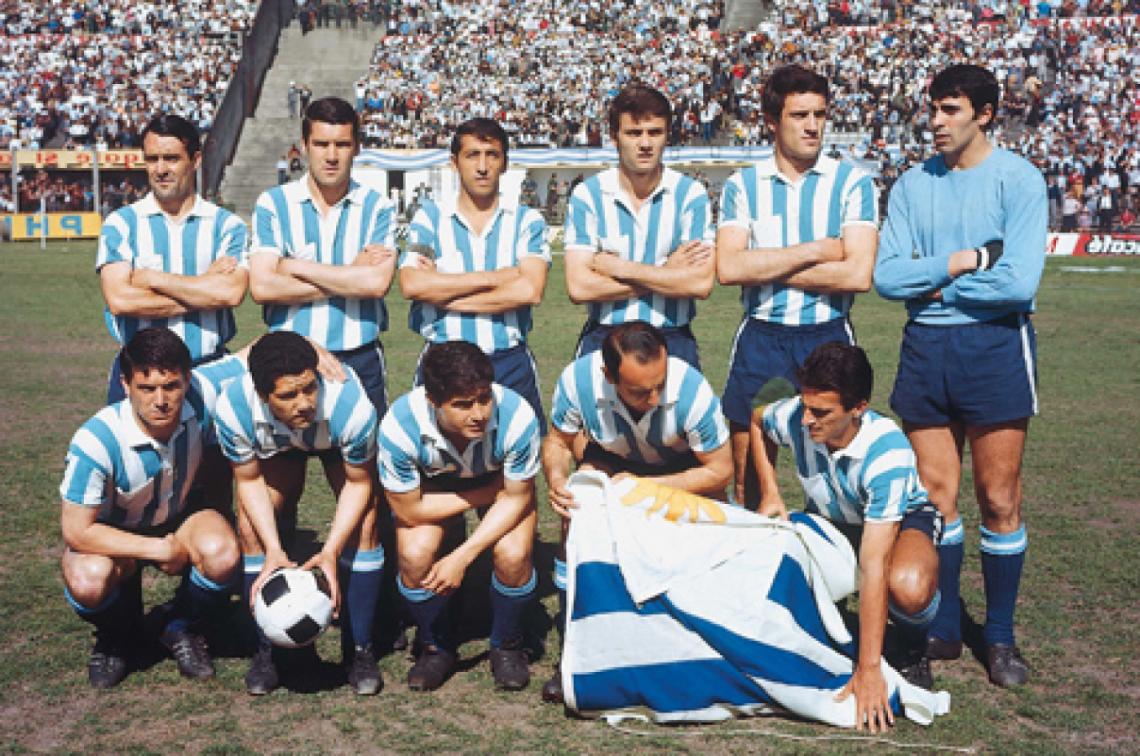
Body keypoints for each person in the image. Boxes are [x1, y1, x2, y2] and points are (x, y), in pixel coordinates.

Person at [874, 64, 1046, 688]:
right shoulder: (912, 185)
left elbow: (1020, 283)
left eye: (950, 110)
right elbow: (887, 278)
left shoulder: (1020, 180)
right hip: (926, 350)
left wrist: (935, 287)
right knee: (935, 497)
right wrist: (966, 267)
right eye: (934, 109)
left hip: (996, 348)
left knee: (998, 499)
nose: (937, 121)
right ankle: (943, 626)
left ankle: (998, 637)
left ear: (984, 114)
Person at [750, 342, 940, 730]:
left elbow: (874, 566)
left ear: (858, 408)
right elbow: (757, 419)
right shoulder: (797, 416)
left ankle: (913, 642)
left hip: (900, 523)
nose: (806, 420)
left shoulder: (886, 453)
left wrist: (869, 669)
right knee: (772, 549)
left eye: (821, 412)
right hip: (834, 521)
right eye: (805, 406)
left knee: (905, 586)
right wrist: (770, 490)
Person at [541, 321, 732, 703]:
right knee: (576, 516)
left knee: (704, 548)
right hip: (612, 461)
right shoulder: (578, 379)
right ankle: (577, 650)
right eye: (640, 391)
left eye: (660, 384)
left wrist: (646, 488)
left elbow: (720, 470)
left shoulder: (691, 389)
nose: (655, 397)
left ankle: (698, 650)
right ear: (608, 376)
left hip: (680, 469)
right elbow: (558, 442)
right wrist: (557, 478)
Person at [716, 64, 879, 509]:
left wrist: (765, 263)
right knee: (749, 475)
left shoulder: (853, 182)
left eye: (820, 115)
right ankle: (754, 573)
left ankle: (833, 568)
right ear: (772, 121)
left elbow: (857, 275)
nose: (812, 126)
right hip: (763, 336)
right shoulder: (743, 186)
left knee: (837, 474)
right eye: (799, 115)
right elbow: (728, 268)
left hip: (827, 335)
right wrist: (816, 250)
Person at [59, 327, 244, 689]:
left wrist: (315, 349)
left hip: (179, 517)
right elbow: (77, 531)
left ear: (187, 380)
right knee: (88, 580)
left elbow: (249, 357)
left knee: (222, 553)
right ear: (125, 385)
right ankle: (118, 636)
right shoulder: (96, 440)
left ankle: (178, 627)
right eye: (146, 388)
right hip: (113, 530)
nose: (160, 400)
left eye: (171, 386)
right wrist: (158, 548)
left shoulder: (202, 392)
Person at [213, 331, 383, 696]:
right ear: (261, 394)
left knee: (366, 523)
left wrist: (331, 551)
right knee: (251, 527)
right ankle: (268, 648)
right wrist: (273, 549)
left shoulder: (350, 406)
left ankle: (359, 649)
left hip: (336, 442)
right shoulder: (233, 407)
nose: (304, 402)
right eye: (288, 395)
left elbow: (359, 484)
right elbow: (248, 481)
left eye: (309, 388)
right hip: (277, 446)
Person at [377, 341, 541, 692]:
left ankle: (508, 644)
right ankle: (436, 644)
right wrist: (483, 494)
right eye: (462, 405)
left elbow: (516, 499)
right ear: (433, 401)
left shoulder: (517, 415)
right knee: (414, 555)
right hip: (437, 487)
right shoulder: (399, 425)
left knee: (513, 556)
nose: (479, 413)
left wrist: (462, 557)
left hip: (502, 487)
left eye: (484, 398)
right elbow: (408, 510)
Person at [249, 96, 398, 415]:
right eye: (321, 144)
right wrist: (348, 273)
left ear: (357, 147)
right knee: (284, 463)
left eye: (342, 145)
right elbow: (262, 288)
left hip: (360, 358)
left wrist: (293, 266)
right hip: (288, 359)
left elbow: (375, 284)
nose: (331, 156)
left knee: (362, 463)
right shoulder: (274, 203)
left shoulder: (378, 207)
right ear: (304, 145)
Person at [399, 118, 549, 424]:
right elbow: (412, 284)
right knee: (435, 461)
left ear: (505, 163)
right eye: (472, 155)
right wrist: (499, 277)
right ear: (454, 163)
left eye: (492, 155)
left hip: (508, 360)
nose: (482, 166)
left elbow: (529, 290)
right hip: (443, 358)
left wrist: (443, 292)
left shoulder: (526, 220)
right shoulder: (429, 218)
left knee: (517, 459)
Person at [97, 113, 248, 404]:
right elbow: (121, 300)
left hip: (208, 366)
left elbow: (230, 293)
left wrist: (151, 279)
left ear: (196, 159)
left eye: (171, 158)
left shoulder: (227, 225)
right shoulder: (122, 224)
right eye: (152, 159)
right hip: (140, 373)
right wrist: (205, 286)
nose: (161, 169)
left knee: (212, 451)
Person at [563, 83, 715, 369]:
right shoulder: (589, 195)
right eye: (634, 133)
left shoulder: (689, 194)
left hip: (672, 337)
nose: (645, 144)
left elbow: (700, 283)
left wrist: (621, 268)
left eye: (654, 133)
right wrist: (666, 274)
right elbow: (579, 287)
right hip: (605, 336)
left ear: (667, 135)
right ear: (614, 137)